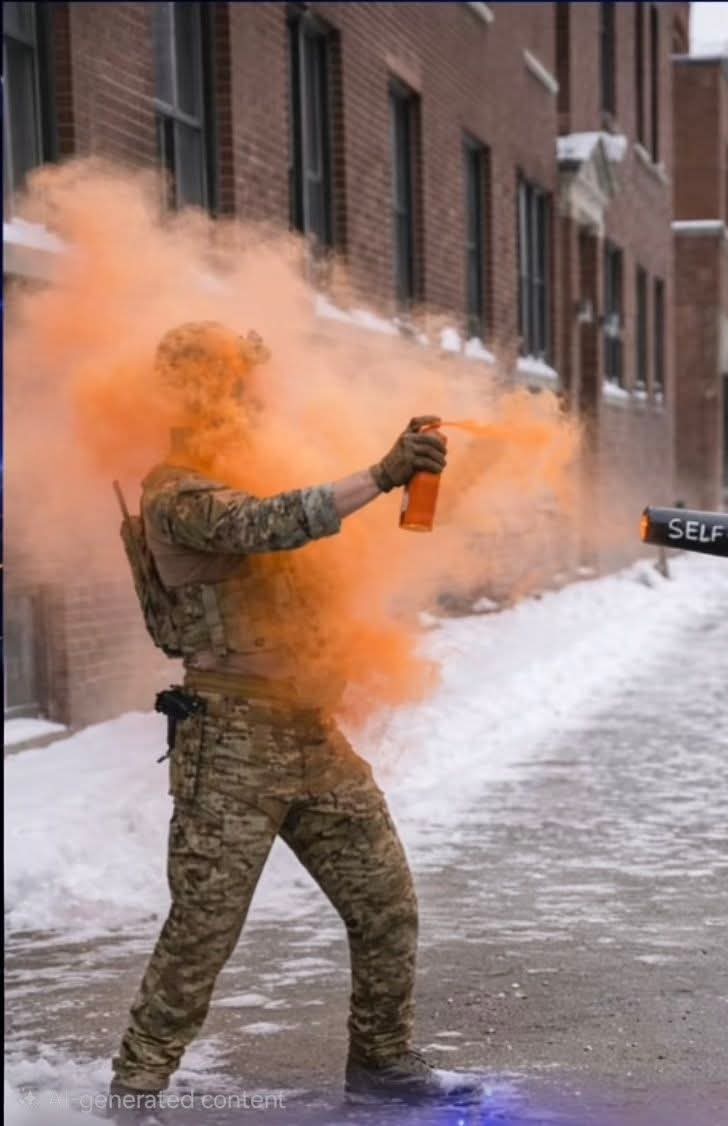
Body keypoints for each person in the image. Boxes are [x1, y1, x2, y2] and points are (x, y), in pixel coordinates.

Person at [108, 322, 481, 1122]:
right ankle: (136, 1088)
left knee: (386, 902)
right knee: (203, 930)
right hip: (230, 744)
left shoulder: (248, 473)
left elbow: (308, 533)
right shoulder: (176, 494)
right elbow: (271, 523)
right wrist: (382, 474)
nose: (250, 400)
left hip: (309, 734)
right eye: (236, 385)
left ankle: (381, 1064)